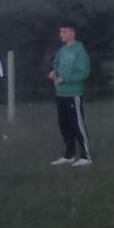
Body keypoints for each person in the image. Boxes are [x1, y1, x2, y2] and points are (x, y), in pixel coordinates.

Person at [49, 23, 93, 166]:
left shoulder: (80, 51)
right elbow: (56, 64)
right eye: (60, 32)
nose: (61, 34)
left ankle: (86, 156)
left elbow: (84, 73)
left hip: (73, 94)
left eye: (64, 31)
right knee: (64, 126)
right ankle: (69, 155)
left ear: (72, 33)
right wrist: (54, 72)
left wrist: (66, 79)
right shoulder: (62, 50)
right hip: (60, 93)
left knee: (77, 124)